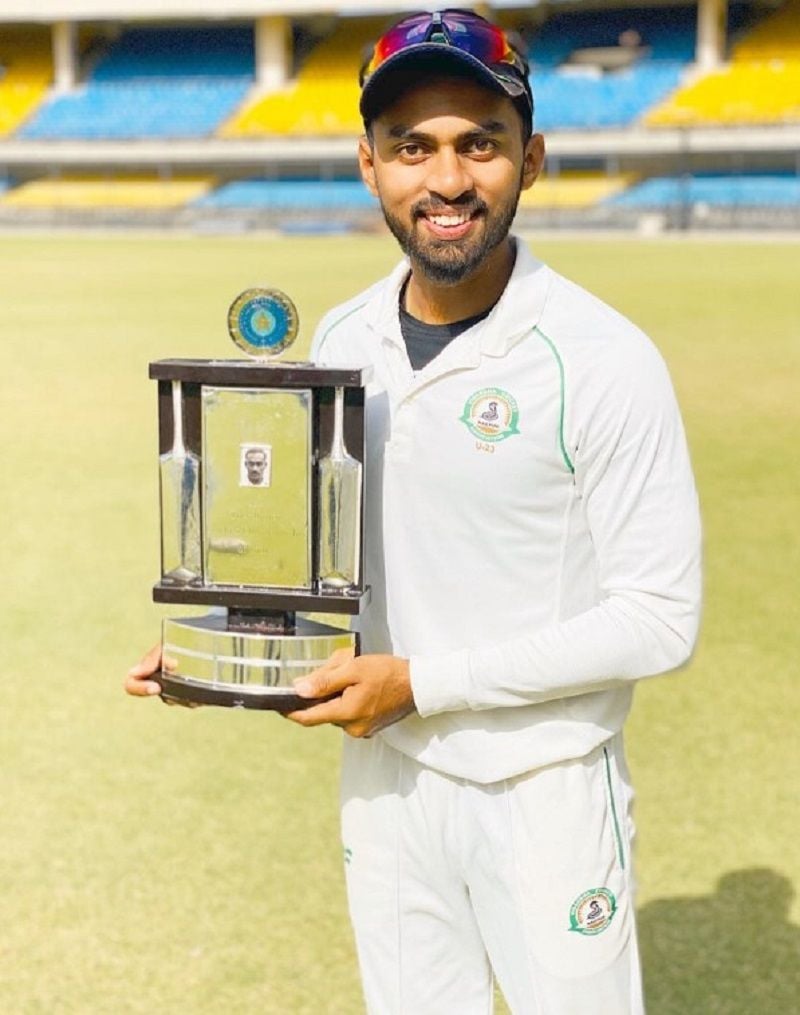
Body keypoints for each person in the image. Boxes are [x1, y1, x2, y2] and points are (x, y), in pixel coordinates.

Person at [127, 10, 702, 1013]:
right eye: (411, 147)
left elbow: (659, 617)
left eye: (479, 143)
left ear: (530, 160)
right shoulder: (344, 337)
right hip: (386, 776)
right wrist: (232, 648)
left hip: (542, 784)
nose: (446, 179)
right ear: (369, 165)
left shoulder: (603, 359)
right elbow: (330, 563)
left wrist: (422, 682)